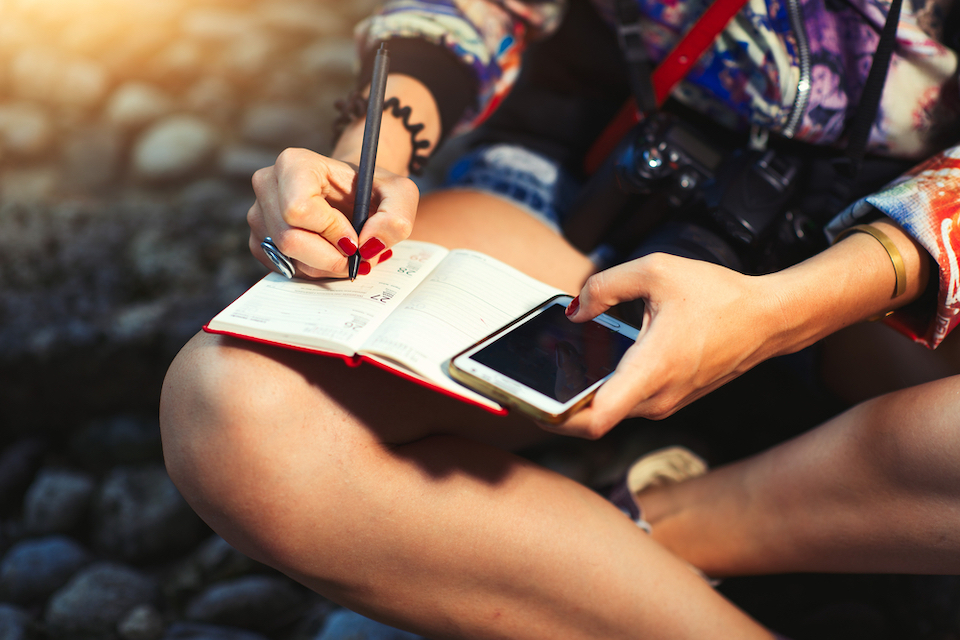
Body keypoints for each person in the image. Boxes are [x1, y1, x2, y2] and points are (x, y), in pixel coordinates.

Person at [159, 0, 960, 637]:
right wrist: (374, 152)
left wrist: (781, 310)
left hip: (880, 258)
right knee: (236, 410)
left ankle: (659, 526)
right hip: (602, 182)